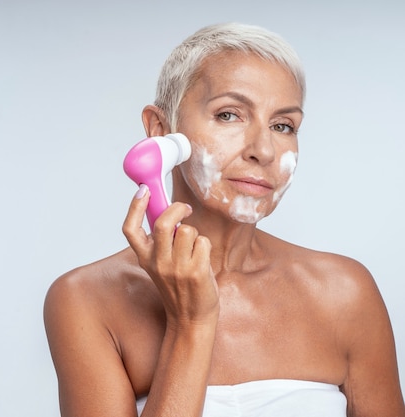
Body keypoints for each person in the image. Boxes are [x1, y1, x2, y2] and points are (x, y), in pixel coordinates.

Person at [43, 22, 405, 417]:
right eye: (230, 115)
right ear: (161, 130)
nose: (263, 150)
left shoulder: (345, 293)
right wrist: (190, 325)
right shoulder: (86, 301)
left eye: (283, 125)